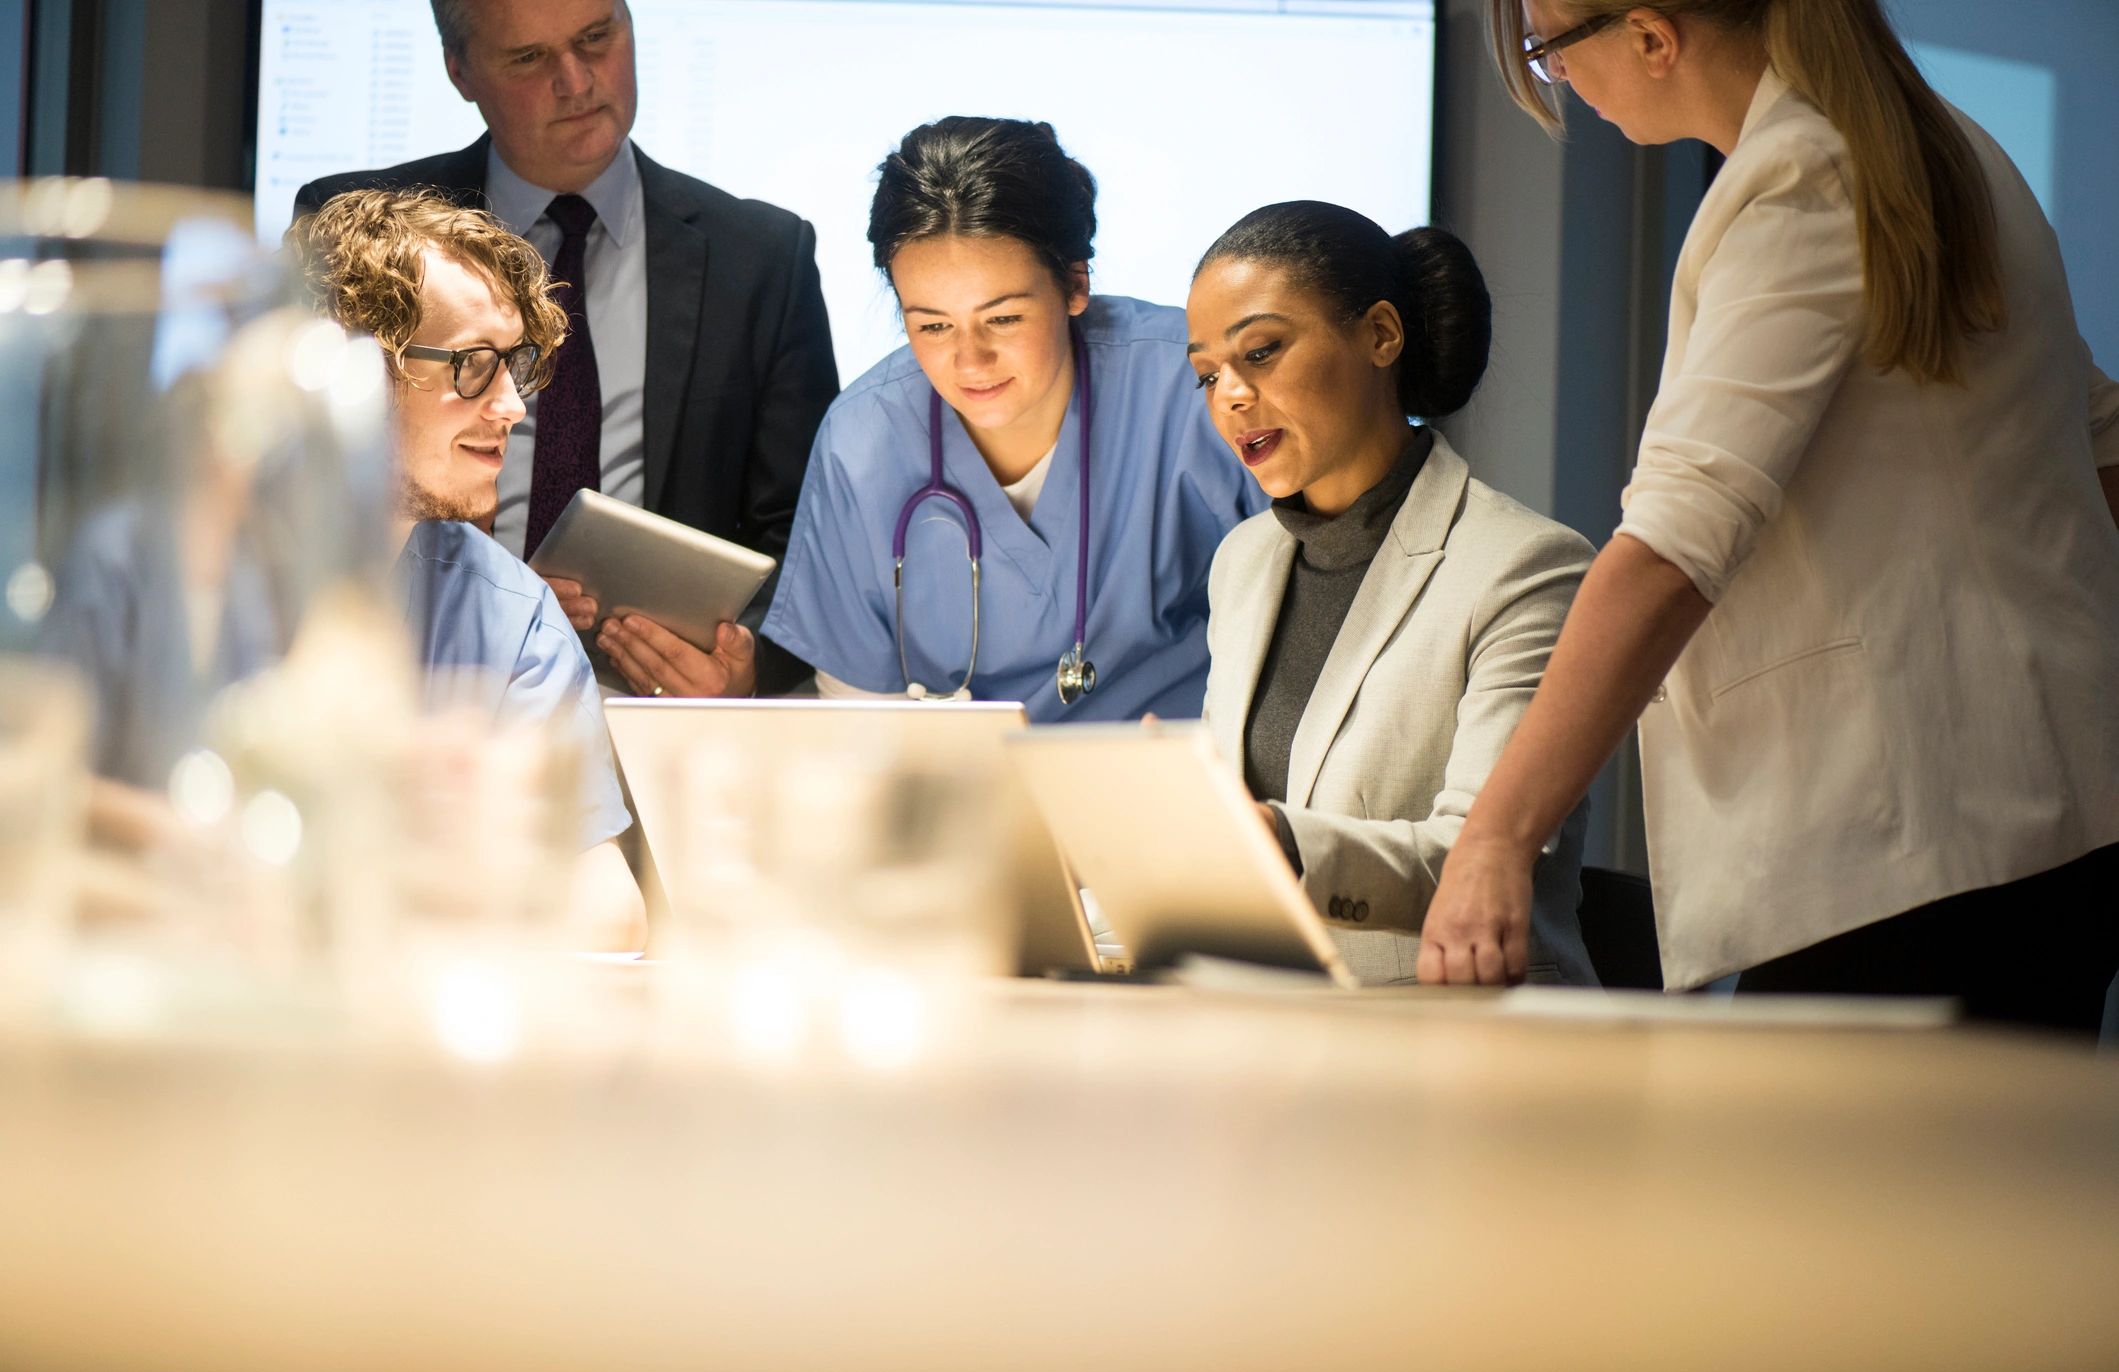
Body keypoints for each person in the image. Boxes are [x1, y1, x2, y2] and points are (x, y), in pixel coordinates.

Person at [1419, 0, 2119, 1030]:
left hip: (1915, 845)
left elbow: (1672, 544)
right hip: (2029, 821)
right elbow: (2098, 446)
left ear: (1651, 37)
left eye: (1549, 55)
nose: (1561, 83)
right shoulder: (1949, 149)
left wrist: (1495, 837)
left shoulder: (1798, 178)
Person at [293, 0, 838, 696]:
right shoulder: (364, 229)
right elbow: (305, 475)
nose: (577, 81)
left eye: (596, 38)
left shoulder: (761, 257)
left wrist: (747, 663)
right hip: (421, 680)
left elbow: (807, 536)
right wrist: (483, 593)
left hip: (663, 707)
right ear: (459, 70)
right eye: (529, 58)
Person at [1188, 203, 1595, 986]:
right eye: (1207, 373)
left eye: (1261, 353)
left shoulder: (1526, 566)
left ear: (1381, 334)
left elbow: (1480, 856)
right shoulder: (1243, 560)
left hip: (1463, 1038)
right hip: (1271, 1035)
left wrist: (1276, 838)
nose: (1229, 397)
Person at [737, 116, 1264, 721]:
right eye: (932, 325)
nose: (969, 360)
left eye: (1004, 318)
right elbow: (864, 726)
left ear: (1073, 283)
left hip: (1193, 782)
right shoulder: (861, 443)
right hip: (962, 799)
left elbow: (1312, 627)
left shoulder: (1193, 386)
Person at [289, 188, 644, 937]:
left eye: (514, 364)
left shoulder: (509, 613)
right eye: (474, 365)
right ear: (352, 369)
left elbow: (607, 911)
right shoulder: (164, 567)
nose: (513, 406)